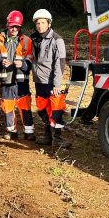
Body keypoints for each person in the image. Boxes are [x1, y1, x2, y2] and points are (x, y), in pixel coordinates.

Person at [30, 9, 70, 149]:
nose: (39, 25)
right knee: (42, 109)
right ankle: (48, 136)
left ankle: (57, 138)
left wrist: (57, 84)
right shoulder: (34, 39)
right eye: (37, 23)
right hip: (39, 81)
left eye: (42, 22)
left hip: (52, 82)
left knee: (56, 111)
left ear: (48, 23)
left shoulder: (57, 40)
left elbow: (60, 63)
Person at [0, 10, 35, 141]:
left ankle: (29, 131)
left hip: (21, 80)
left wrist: (22, 64)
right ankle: (12, 131)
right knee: (7, 106)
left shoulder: (27, 41)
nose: (14, 28)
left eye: (16, 26)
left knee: (25, 106)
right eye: (12, 25)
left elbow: (32, 61)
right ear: (7, 24)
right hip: (6, 80)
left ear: (20, 26)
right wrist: (0, 62)